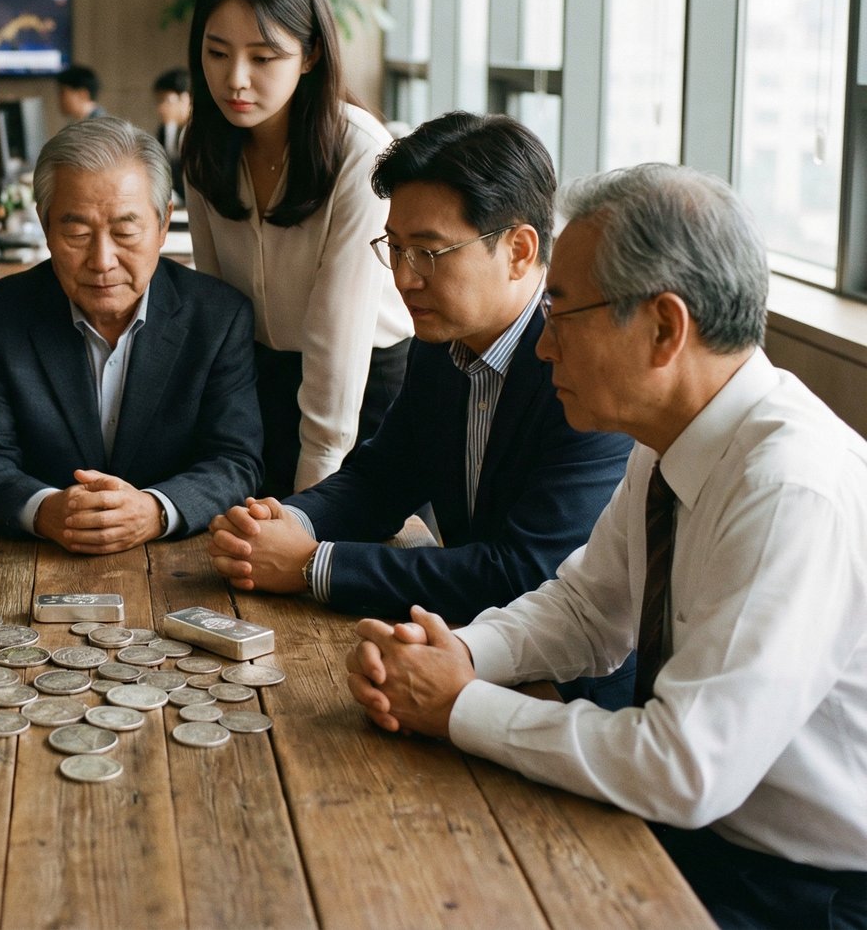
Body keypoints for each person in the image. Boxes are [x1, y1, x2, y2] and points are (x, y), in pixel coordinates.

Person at [346, 164, 867, 930]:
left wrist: (461, 706)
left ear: (664, 327)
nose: (544, 347)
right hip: (698, 834)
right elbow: (589, 607)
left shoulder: (789, 488)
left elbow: (686, 766)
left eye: (561, 313)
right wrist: (466, 653)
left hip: (801, 889)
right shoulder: (673, 437)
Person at [206, 113, 635, 702]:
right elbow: (385, 475)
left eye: (430, 253)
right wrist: (286, 523)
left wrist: (313, 565)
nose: (405, 278)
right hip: (466, 643)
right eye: (396, 248)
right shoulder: (445, 341)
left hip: (573, 691)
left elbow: (527, 572)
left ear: (518, 249)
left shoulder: (584, 368)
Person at [0, 117, 262, 552]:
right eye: (76, 232)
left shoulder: (218, 319)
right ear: (45, 224)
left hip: (181, 562)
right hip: (31, 561)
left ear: (164, 223)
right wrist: (44, 509)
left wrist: (156, 510)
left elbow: (235, 461)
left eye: (125, 231)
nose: (102, 260)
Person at [182, 0, 413, 497]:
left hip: (366, 386)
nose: (236, 79)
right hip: (258, 380)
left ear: (309, 55)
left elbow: (338, 338)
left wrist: (309, 509)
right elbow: (216, 306)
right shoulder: (205, 146)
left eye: (263, 59)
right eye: (217, 53)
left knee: (335, 561)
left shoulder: (360, 152)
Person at [152, 66, 191, 202]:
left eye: (165, 100)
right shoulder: (165, 130)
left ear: (185, 98)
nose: (160, 108)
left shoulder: (204, 132)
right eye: (158, 101)